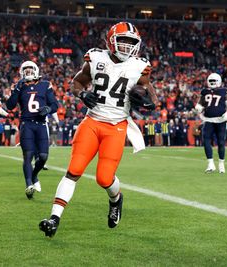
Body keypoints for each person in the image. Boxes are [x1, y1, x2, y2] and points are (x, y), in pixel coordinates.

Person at [39, 21, 158, 237]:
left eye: (131, 42)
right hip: (92, 122)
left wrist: (145, 101)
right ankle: (54, 218)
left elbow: (153, 99)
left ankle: (116, 199)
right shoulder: (95, 58)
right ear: (111, 40)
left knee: (104, 178)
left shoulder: (139, 66)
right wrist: (82, 94)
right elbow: (76, 83)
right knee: (73, 170)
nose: (126, 46)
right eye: (122, 41)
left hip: (117, 126)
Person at [6, 60, 58, 199]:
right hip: (26, 124)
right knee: (28, 156)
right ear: (22, 72)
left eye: (30, 69)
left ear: (36, 70)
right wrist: (17, 89)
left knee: (43, 157)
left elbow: (55, 104)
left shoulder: (45, 85)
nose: (28, 72)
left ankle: (34, 175)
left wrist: (48, 109)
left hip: (41, 124)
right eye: (26, 70)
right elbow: (10, 106)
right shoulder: (18, 86)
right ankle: (28, 185)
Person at [195, 73, 227, 173]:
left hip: (220, 120)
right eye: (210, 81)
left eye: (214, 81)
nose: (212, 83)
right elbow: (200, 104)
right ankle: (210, 164)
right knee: (206, 140)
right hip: (208, 120)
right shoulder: (204, 91)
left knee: (221, 142)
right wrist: (199, 107)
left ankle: (221, 164)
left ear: (219, 81)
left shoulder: (226, 91)